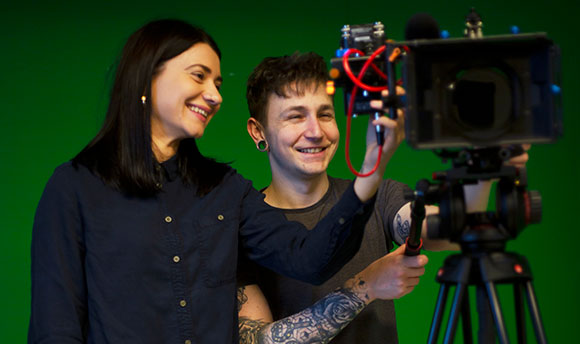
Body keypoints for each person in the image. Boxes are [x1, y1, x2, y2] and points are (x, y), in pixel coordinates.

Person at [28, 21, 403, 344]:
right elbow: (55, 328)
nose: (215, 95)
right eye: (198, 75)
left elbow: (309, 259)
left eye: (218, 82)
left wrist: (371, 167)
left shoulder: (225, 189)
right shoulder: (74, 187)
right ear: (147, 76)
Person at [237, 52, 530, 343]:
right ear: (257, 131)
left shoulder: (379, 198)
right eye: (295, 117)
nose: (315, 131)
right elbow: (259, 342)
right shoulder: (243, 227)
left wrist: (483, 164)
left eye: (325, 114)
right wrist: (366, 287)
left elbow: (454, 230)